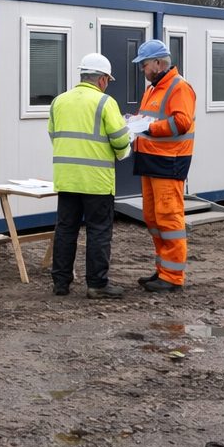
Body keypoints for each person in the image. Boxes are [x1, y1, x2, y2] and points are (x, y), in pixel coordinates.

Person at [47, 52, 132, 299]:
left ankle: (60, 283)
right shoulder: (105, 103)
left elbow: (54, 134)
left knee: (65, 229)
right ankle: (97, 284)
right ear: (103, 79)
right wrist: (124, 150)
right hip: (96, 180)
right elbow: (120, 139)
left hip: (67, 178)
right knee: (98, 231)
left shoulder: (59, 101)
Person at [128, 40, 197, 293]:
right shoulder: (153, 88)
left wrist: (147, 127)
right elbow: (150, 118)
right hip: (150, 160)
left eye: (144, 65)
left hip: (170, 161)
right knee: (153, 217)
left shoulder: (179, 87)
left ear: (158, 63)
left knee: (169, 218)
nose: (142, 70)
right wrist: (135, 123)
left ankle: (173, 276)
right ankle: (163, 270)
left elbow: (181, 122)